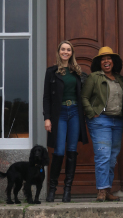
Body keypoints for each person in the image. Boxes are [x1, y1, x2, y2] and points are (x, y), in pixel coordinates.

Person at [43, 40, 88, 202]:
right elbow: (46, 97)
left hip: (75, 112)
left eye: (68, 50)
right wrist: (47, 118)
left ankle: (67, 190)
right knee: (59, 151)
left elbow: (84, 94)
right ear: (59, 51)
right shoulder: (51, 72)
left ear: (72, 53)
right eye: (63, 49)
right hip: (59, 114)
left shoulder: (77, 72)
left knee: (71, 150)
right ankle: (52, 189)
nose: (65, 52)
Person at [81, 46, 123, 202]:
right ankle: (101, 190)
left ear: (114, 62)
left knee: (112, 158)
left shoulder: (119, 79)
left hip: (118, 121)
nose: (107, 61)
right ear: (99, 63)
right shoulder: (94, 77)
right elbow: (84, 97)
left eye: (109, 58)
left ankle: (107, 190)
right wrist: (92, 113)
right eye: (103, 59)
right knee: (103, 155)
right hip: (101, 121)